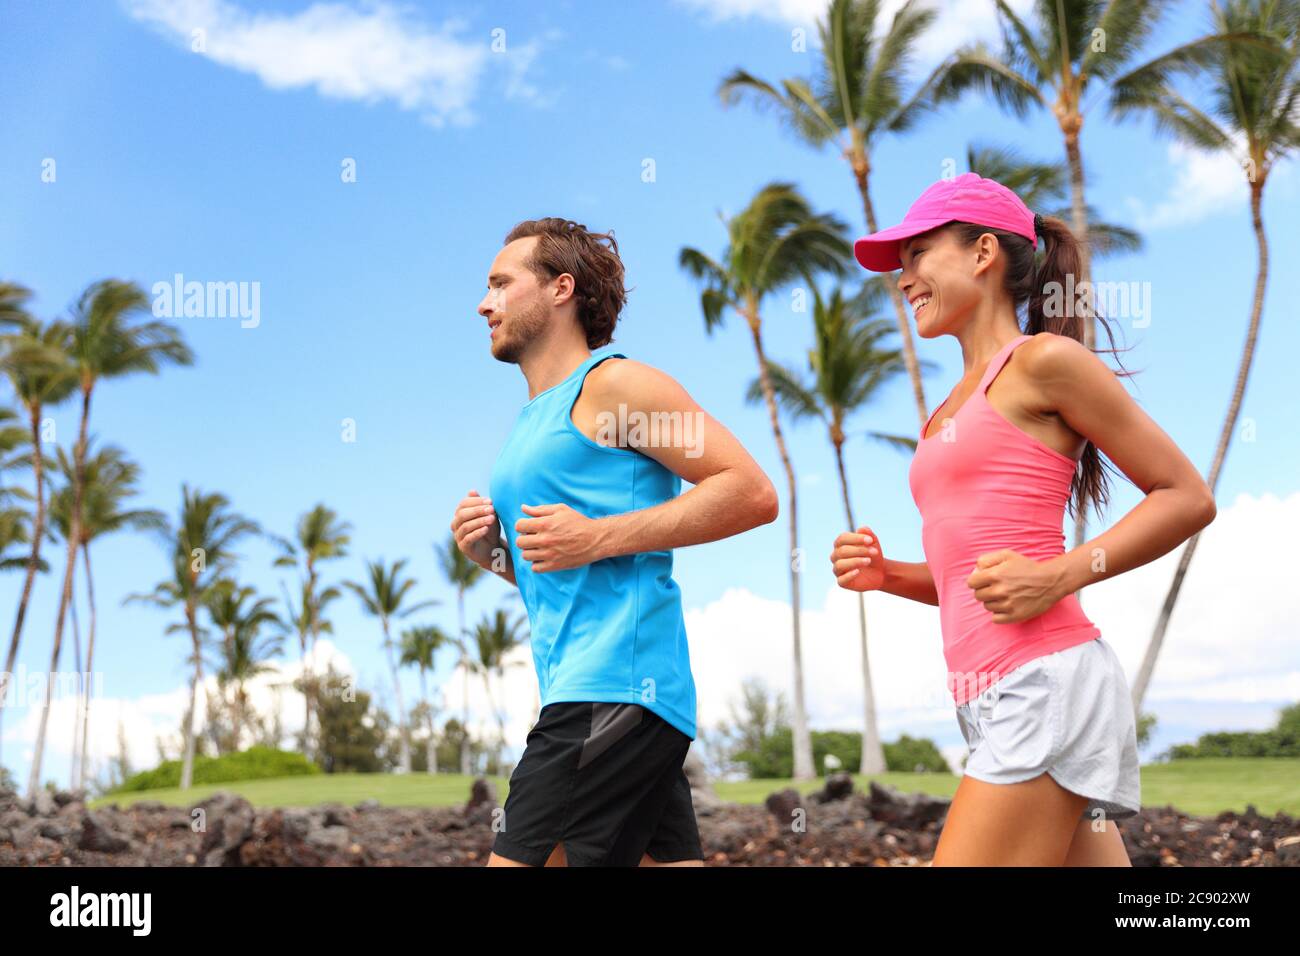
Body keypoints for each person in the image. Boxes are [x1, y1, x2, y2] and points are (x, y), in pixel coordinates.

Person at [831, 173, 1216, 866]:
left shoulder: (1042, 362)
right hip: (989, 692)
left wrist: (1059, 576)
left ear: (983, 252)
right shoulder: (945, 411)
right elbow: (971, 576)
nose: (904, 278)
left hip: (1042, 681)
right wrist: (890, 576)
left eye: (917, 255)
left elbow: (1185, 495)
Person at [453, 217, 779, 867]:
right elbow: (568, 567)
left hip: (613, 691)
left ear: (559, 289)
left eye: (499, 284)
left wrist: (595, 536)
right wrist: (492, 554)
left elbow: (749, 491)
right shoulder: (530, 422)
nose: (483, 303)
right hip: (609, 693)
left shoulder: (616, 386)